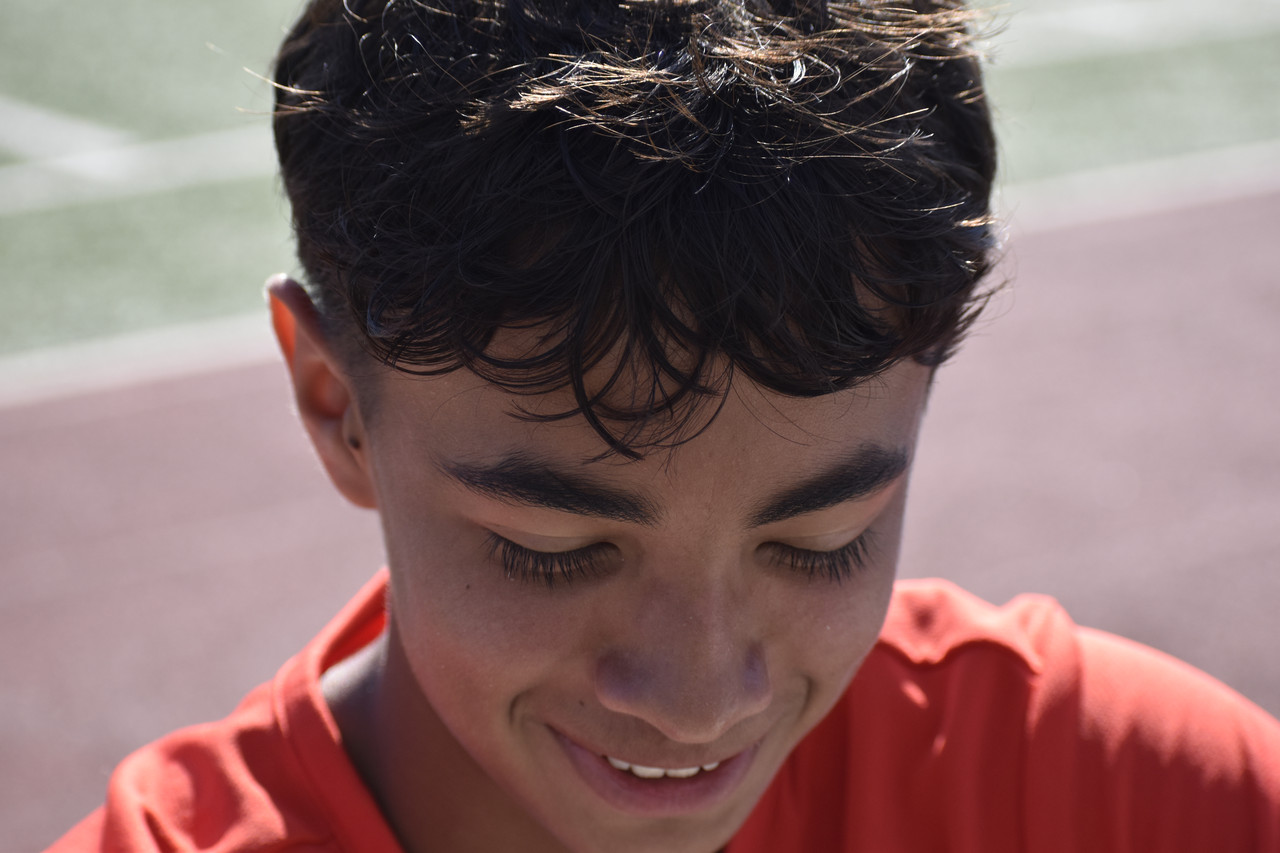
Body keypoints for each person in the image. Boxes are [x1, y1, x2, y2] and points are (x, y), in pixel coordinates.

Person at [46, 0, 1280, 850]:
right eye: (552, 547)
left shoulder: (1128, 793)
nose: (696, 701)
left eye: (822, 539)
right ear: (334, 406)